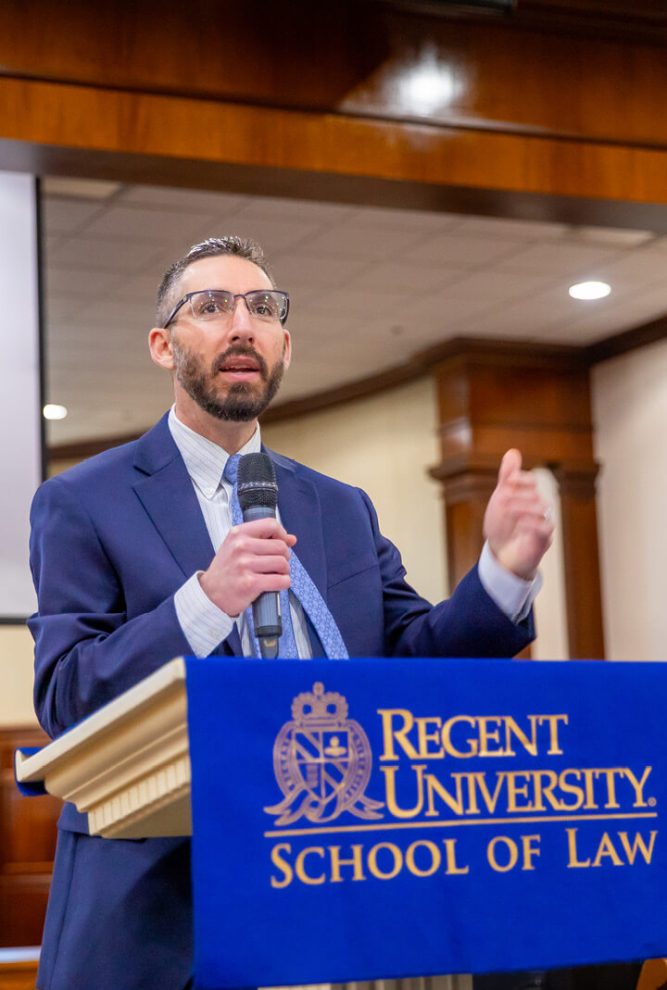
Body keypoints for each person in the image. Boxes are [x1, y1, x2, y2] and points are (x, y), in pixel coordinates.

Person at [28, 236, 554, 990]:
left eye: (263, 309)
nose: (241, 326)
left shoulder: (338, 507)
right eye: (210, 307)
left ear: (283, 345)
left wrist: (502, 574)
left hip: (334, 900)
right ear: (161, 345)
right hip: (164, 921)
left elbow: (408, 660)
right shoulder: (84, 500)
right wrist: (204, 603)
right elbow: (67, 697)